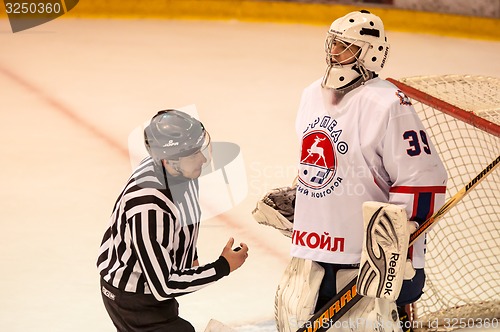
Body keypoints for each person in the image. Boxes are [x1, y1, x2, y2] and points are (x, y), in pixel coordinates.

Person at [290, 9, 448, 331]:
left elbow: (423, 179)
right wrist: (302, 197)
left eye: (345, 47)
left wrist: (399, 247)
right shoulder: (311, 94)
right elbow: (320, 159)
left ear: (371, 53)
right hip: (318, 248)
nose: (334, 53)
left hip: (369, 258)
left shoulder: (388, 103)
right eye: (333, 44)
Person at [97, 109, 249, 332]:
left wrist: (191, 256)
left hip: (147, 295)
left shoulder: (181, 172)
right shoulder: (148, 205)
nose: (204, 159)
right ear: (169, 161)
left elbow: (184, 221)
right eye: (194, 154)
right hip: (131, 300)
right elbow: (163, 285)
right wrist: (222, 266)